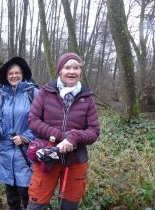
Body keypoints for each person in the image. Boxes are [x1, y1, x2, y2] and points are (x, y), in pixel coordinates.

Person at [27, 52, 100, 210]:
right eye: (67, 67)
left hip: (75, 160)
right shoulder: (46, 93)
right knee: (36, 204)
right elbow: (33, 120)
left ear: (80, 71)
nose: (72, 71)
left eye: (76, 68)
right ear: (60, 70)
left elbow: (94, 131)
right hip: (48, 157)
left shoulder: (87, 98)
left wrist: (74, 137)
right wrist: (61, 136)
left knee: (69, 206)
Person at [0, 57, 39, 210]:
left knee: (27, 194)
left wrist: (26, 137)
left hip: (25, 154)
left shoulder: (34, 93)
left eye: (17, 73)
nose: (14, 76)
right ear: (6, 76)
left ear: (23, 75)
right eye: (11, 73)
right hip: (6, 152)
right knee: (11, 197)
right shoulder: (4, 95)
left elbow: (41, 122)